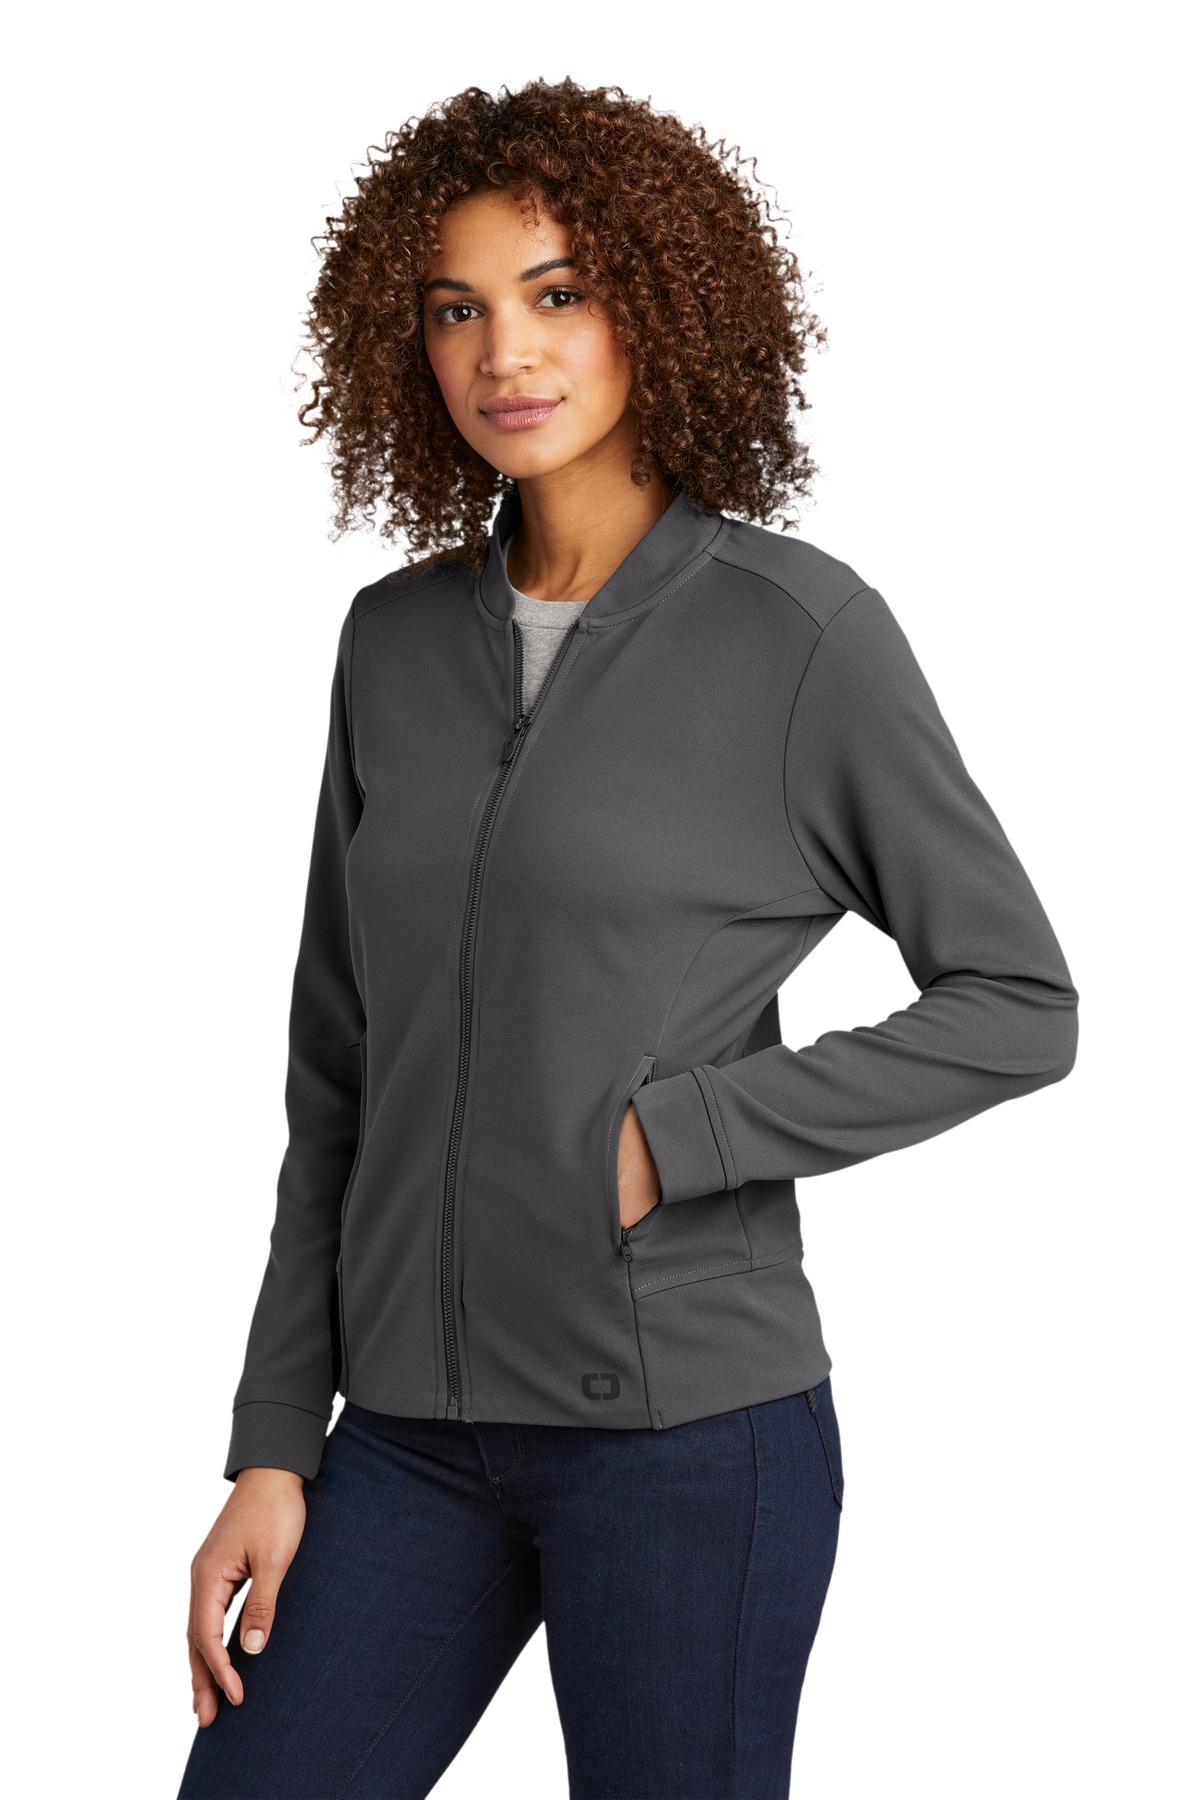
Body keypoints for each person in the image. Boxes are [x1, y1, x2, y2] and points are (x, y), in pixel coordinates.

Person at [177, 76, 1079, 1800]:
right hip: (408, 1436)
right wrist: (275, 1440)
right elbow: (337, 1073)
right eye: (457, 308)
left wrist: (689, 1134)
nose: (504, 353)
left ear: (657, 308)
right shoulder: (390, 646)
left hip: (686, 1440)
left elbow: (1020, 1002)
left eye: (559, 293)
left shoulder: (799, 636)